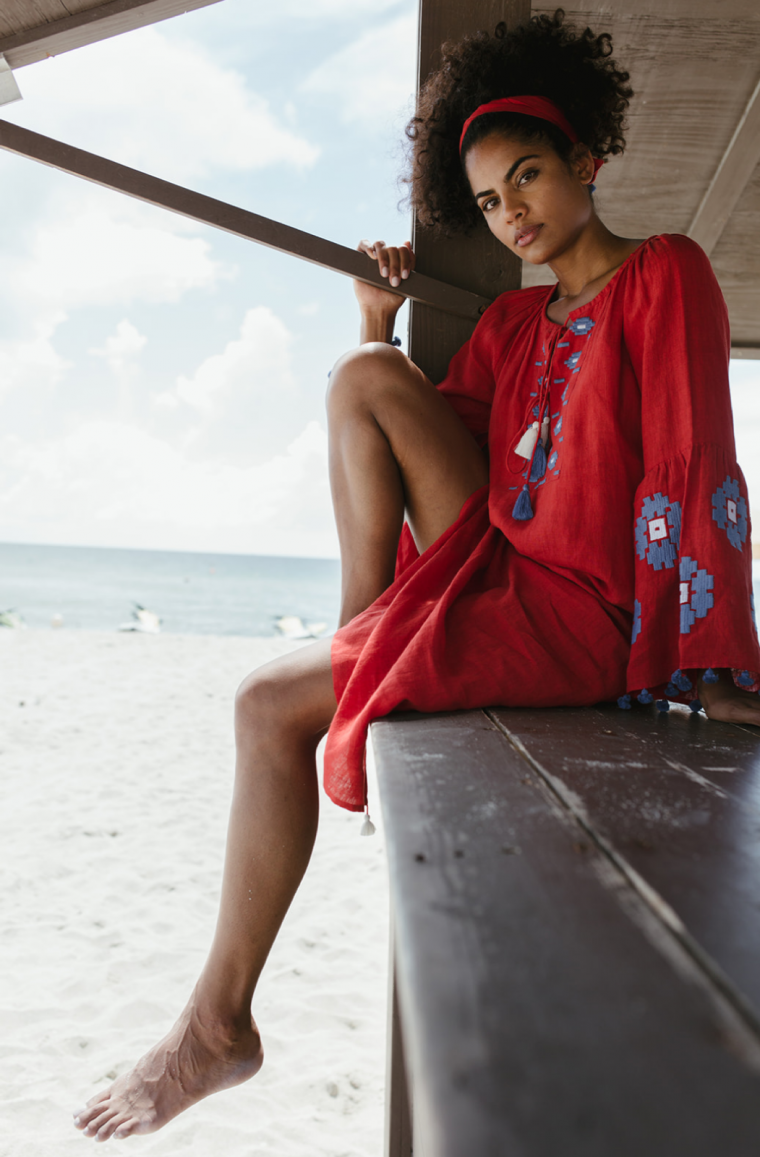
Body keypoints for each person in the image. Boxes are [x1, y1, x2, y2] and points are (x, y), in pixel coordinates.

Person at [73, 9, 760, 1142]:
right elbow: (427, 442)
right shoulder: (513, 322)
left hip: (586, 614)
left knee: (265, 702)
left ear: (588, 157)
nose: (512, 212)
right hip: (499, 569)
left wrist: (708, 662)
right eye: (488, 201)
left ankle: (214, 1025)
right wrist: (378, 323)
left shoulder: (663, 274)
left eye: (528, 175)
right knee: (361, 374)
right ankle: (367, 642)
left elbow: (696, 458)